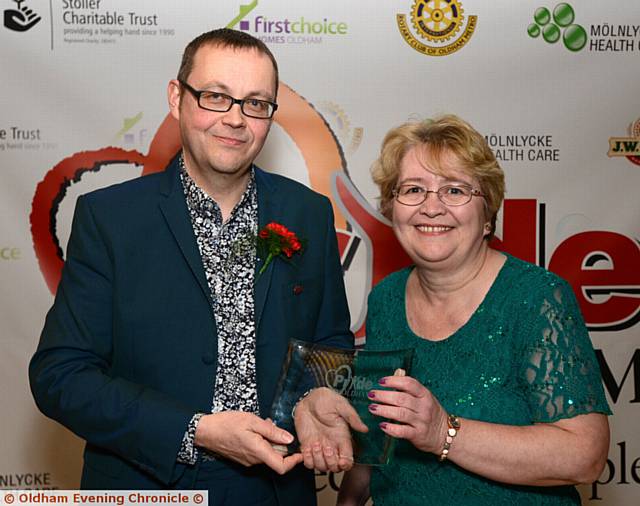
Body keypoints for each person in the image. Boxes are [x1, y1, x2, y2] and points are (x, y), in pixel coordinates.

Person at [29, 28, 354, 506]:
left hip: (279, 488)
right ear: (177, 98)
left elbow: (329, 341)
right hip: (149, 485)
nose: (236, 120)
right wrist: (194, 430)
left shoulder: (308, 213)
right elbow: (61, 375)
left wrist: (318, 396)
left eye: (256, 103)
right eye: (216, 97)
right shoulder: (111, 218)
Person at [336, 115, 611, 505]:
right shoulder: (385, 299)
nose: (431, 208)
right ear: (391, 208)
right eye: (413, 189)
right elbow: (376, 434)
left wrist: (443, 433)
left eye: (454, 190)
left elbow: (585, 457)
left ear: (487, 215)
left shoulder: (536, 298)